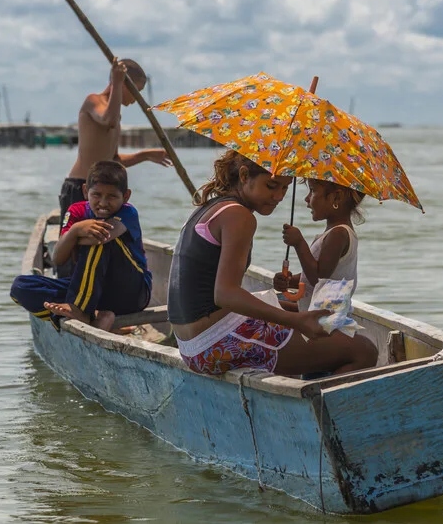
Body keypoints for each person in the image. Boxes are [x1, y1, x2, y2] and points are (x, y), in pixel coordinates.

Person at [167, 150, 378, 377]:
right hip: (214, 343)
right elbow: (225, 294)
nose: (278, 196)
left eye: (285, 189)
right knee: (364, 351)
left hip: (190, 343)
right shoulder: (240, 216)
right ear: (245, 175)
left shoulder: (208, 207)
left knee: (284, 304)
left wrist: (292, 315)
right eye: (272, 186)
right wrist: (296, 320)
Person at [56, 57, 172, 277]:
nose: (137, 100)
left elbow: (113, 161)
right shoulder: (94, 101)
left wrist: (146, 155)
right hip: (80, 187)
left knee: (100, 242)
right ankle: (67, 297)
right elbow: (107, 119)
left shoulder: (114, 114)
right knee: (73, 246)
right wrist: (118, 81)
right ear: (122, 84)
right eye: (135, 91)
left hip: (102, 187)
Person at [12, 161, 152, 331]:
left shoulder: (128, 212)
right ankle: (95, 316)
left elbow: (101, 237)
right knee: (21, 287)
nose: (103, 203)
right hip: (90, 291)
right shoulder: (76, 211)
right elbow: (58, 258)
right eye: (97, 195)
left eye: (112, 196)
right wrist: (75, 230)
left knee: (100, 240)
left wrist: (74, 239)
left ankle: (79, 310)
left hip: (130, 294)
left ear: (126, 196)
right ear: (86, 191)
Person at [275, 179, 364, 311]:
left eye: (312, 191)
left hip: (324, 324)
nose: (307, 198)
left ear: (336, 197)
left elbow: (318, 279)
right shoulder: (336, 232)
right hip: (319, 317)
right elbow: (327, 273)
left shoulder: (339, 234)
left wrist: (299, 243)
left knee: (262, 305)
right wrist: (291, 281)